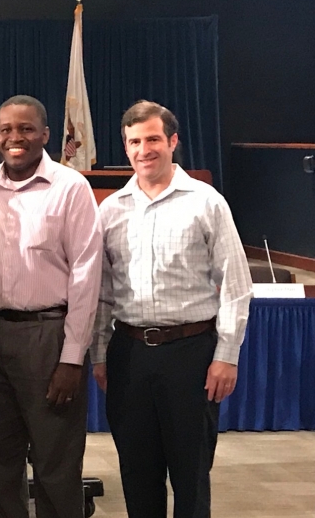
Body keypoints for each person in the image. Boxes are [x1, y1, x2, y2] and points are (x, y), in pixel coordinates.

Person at [92, 100, 252, 518]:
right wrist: (99, 355)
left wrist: (226, 357)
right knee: (137, 474)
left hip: (192, 354)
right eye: (134, 141)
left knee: (191, 474)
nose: (144, 149)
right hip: (128, 355)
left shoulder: (206, 202)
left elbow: (236, 284)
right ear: (125, 147)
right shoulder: (110, 211)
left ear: (173, 141)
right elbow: (103, 294)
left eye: (153, 139)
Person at [0, 95, 103, 518]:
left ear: (45, 134)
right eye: (6, 129)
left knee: (55, 466)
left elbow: (86, 275)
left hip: (49, 337)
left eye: (26, 129)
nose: (15, 137)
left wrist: (71, 358)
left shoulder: (71, 187)